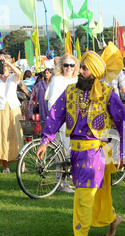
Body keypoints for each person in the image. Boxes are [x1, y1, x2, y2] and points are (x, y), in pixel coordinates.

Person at [36, 44, 125, 236]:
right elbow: (55, 116)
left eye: (84, 68)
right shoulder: (71, 92)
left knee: (83, 195)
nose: (80, 71)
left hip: (96, 152)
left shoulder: (108, 94)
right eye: (80, 67)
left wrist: (124, 152)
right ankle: (114, 218)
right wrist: (45, 141)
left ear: (95, 73)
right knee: (94, 194)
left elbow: (124, 121)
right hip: (76, 151)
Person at [45, 53, 80, 193]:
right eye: (65, 65)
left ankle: (64, 180)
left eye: (71, 65)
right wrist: (59, 117)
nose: (68, 68)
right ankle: (62, 183)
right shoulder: (57, 80)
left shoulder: (78, 79)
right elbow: (52, 101)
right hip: (63, 120)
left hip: (76, 120)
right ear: (61, 66)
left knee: (71, 151)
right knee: (63, 152)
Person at [0, 52, 24, 173]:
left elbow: (19, 73)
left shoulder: (12, 77)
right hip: (1, 109)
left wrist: (8, 62)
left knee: (17, 134)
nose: (3, 66)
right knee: (3, 135)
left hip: (13, 107)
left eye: (4, 64)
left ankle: (22, 163)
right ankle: (6, 166)